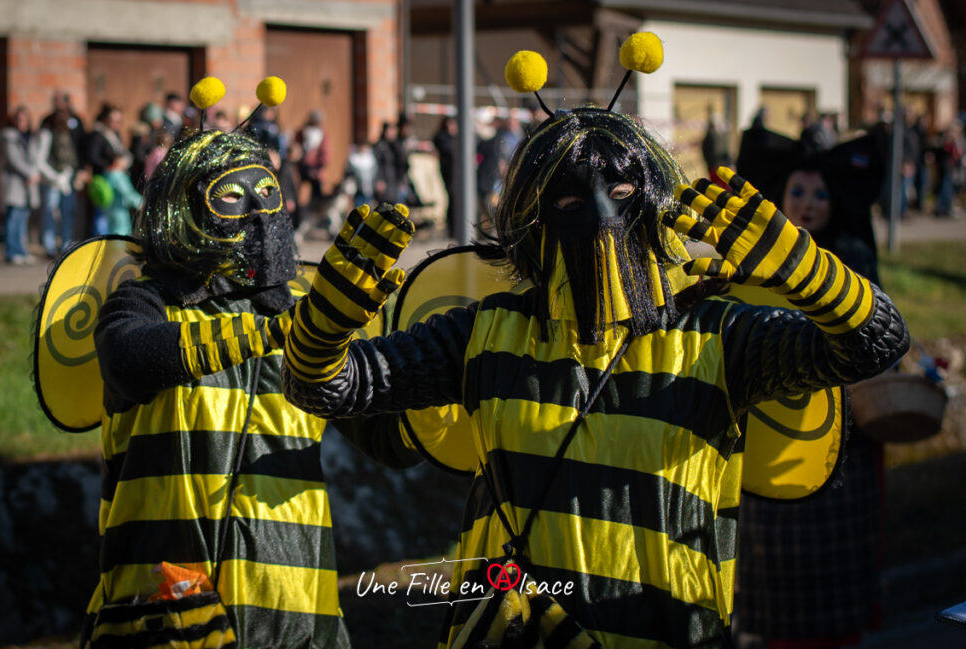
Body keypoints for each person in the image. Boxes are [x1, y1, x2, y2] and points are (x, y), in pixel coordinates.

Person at [280, 105, 909, 648]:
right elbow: (325, 386)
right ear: (534, 217)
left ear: (655, 203)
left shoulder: (718, 338)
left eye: (625, 191)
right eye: (571, 202)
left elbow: (874, 341)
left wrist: (808, 272)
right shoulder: (483, 334)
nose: (604, 217)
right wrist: (321, 331)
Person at [82, 126, 418, 648]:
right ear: (184, 208)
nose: (259, 213)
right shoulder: (144, 304)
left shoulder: (309, 319)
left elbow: (388, 439)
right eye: (232, 196)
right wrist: (275, 331)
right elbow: (128, 359)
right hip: (170, 618)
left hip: (297, 617)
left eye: (267, 192)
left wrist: (448, 378)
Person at [735, 153, 886, 649]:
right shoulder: (759, 267)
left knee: (835, 575)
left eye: (820, 194)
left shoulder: (851, 259)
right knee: (777, 578)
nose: (807, 204)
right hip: (776, 436)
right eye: (797, 192)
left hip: (844, 445)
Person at [0, 106, 42, 265]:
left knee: (23, 220)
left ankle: (22, 250)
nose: (21, 123)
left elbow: (35, 158)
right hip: (15, 184)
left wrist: (34, 174)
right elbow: (14, 160)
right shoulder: (9, 137)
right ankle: (11, 251)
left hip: (28, 185)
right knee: (13, 219)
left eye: (24, 120)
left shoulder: (30, 137)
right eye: (18, 120)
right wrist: (30, 174)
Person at [38, 106, 80, 256]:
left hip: (67, 179)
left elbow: (71, 159)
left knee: (68, 213)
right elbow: (41, 160)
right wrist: (55, 177)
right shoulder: (47, 134)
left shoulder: (68, 135)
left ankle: (66, 244)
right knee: (50, 213)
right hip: (53, 181)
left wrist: (69, 175)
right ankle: (49, 245)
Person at [87, 103, 130, 236]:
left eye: (119, 121)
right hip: (103, 181)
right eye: (113, 120)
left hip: (115, 179)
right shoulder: (97, 135)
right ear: (105, 119)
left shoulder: (115, 134)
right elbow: (93, 157)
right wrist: (111, 164)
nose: (116, 124)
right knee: (102, 216)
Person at [432, 114, 458, 233]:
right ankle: (452, 227)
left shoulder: (455, 137)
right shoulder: (442, 137)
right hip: (448, 172)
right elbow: (449, 151)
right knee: (452, 198)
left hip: (456, 173)